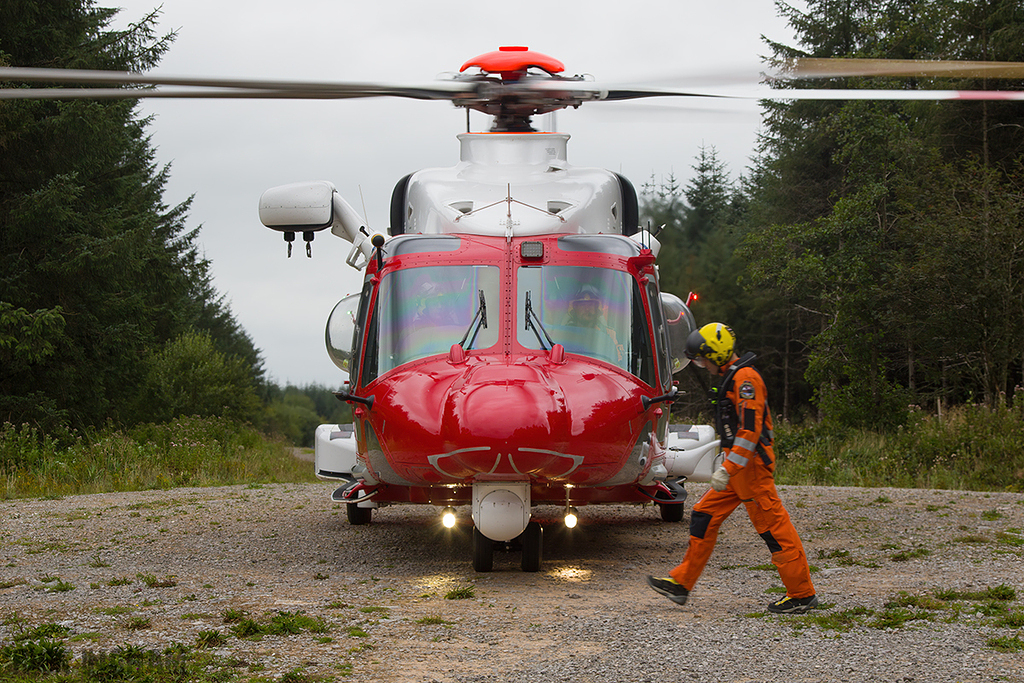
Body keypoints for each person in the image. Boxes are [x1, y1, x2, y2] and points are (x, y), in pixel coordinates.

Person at [646, 322, 818, 614]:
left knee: (774, 530)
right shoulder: (733, 377)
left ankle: (801, 594)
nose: (701, 365)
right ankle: (681, 583)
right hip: (738, 470)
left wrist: (728, 469)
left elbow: (749, 433)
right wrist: (728, 467)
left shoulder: (746, 380)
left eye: (703, 359)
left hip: (750, 471)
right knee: (703, 515)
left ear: (717, 354)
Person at [565, 285, 624, 363]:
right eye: (582, 305)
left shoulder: (609, 334)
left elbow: (617, 363)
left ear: (597, 308)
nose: (587, 309)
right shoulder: (564, 334)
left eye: (591, 304)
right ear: (575, 308)